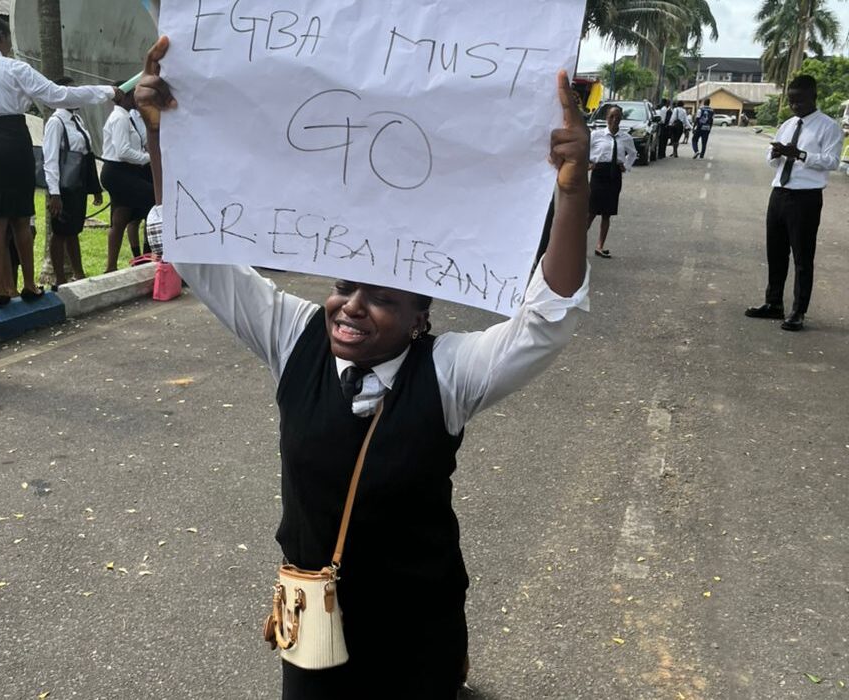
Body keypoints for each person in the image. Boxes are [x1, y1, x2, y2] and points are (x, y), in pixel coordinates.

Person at [137, 37, 589, 699]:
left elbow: (546, 321)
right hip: (312, 618)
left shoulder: (448, 375)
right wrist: (164, 136)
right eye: (346, 286)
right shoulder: (294, 336)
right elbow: (200, 253)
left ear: (419, 319)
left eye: (381, 298)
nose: (351, 307)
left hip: (417, 630)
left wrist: (572, 194)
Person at [0, 13, 119, 307]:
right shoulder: (16, 68)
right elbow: (59, 95)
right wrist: (106, 91)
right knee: (21, 218)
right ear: (3, 37)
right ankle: (27, 283)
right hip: (14, 138)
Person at [744, 74, 843, 332]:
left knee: (802, 256)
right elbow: (771, 159)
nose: (795, 105)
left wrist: (799, 154)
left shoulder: (828, 126)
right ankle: (773, 302)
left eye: (800, 101)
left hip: (805, 198)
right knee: (775, 253)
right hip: (779, 193)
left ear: (814, 97)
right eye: (791, 101)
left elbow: (832, 161)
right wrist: (775, 153)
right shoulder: (788, 124)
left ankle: (798, 311)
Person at [42, 76, 103, 290]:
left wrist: (94, 188)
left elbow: (87, 152)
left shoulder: (77, 120)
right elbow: (50, 158)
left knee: (73, 229)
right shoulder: (56, 122)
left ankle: (79, 272)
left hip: (78, 183)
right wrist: (54, 193)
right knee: (60, 231)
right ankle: (59, 278)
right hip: (63, 185)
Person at [101, 87, 154, 272]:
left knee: (121, 216)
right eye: (133, 95)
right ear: (125, 97)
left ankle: (111, 266)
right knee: (153, 199)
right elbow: (122, 151)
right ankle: (148, 254)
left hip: (125, 171)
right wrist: (148, 158)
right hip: (118, 171)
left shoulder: (126, 117)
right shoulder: (120, 118)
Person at [587, 104, 637, 259]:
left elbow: (633, 153)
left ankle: (600, 246)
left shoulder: (625, 137)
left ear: (621, 119)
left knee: (607, 213)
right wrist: (589, 163)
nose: (614, 120)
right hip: (599, 173)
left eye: (617, 117)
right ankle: (577, 243)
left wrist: (625, 166)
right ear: (606, 117)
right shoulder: (596, 135)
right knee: (591, 211)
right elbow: (584, 150)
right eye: (611, 116)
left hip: (614, 175)